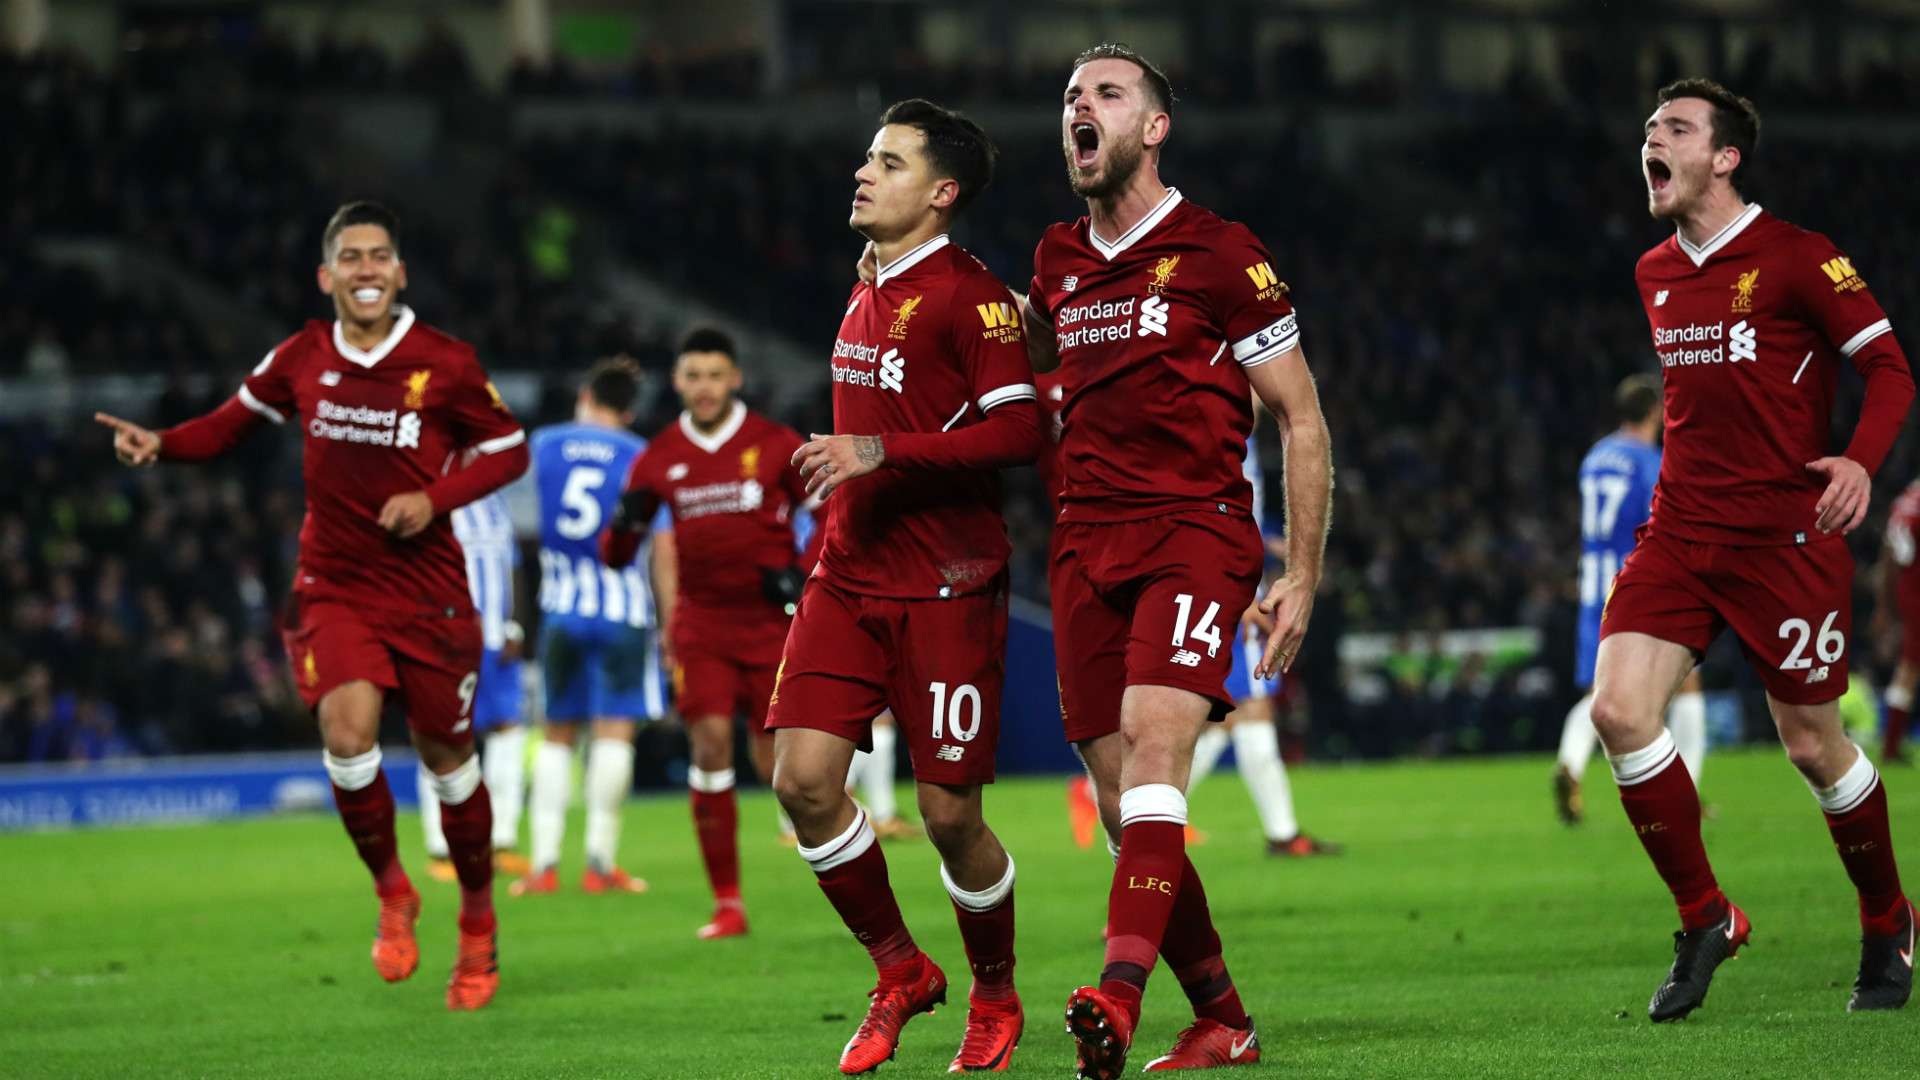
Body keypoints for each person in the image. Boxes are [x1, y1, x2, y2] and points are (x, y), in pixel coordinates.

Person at [94, 200, 526, 1010]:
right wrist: (163, 443)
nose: (366, 269)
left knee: (449, 768)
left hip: (430, 597)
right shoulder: (304, 354)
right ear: (327, 276)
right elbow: (229, 424)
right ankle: (394, 891)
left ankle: (476, 920)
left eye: (380, 256)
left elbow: (508, 449)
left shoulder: (446, 362)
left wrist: (434, 502)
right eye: (351, 257)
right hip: (337, 587)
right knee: (346, 738)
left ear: (399, 273)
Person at [1020, 44, 1332, 1076]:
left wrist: (1304, 572)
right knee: (1122, 804)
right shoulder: (1056, 262)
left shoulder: (1218, 251)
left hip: (1192, 532)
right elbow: (1013, 363)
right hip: (1082, 546)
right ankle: (1224, 1017)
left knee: (1158, 757)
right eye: (1071, 96)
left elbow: (1300, 416)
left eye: (1106, 94)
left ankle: (1116, 994)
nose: (1081, 108)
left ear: (1154, 127)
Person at [1593, 79, 1914, 1021]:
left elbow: (1888, 367)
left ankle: (1888, 915)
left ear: (1725, 156)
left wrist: (1858, 463)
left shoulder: (1797, 258)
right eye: (1648, 127)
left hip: (1785, 537)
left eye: (1676, 129)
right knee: (1617, 711)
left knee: (1813, 746)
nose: (1653, 141)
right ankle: (1706, 917)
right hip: (1682, 531)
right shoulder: (1655, 271)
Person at [759, 97, 1042, 1074]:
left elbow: (1018, 431)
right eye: (866, 157)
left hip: (949, 583)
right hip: (847, 573)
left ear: (943, 193)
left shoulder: (973, 297)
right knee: (799, 782)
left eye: (888, 162)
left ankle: (995, 994)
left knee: (949, 816)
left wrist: (880, 448)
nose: (863, 172)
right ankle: (900, 969)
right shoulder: (869, 277)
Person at [600, 326, 811, 939]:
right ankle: (728, 903)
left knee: (783, 761)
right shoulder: (659, 456)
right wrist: (624, 522)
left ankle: (832, 870)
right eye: (693, 376)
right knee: (709, 744)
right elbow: (615, 554)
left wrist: (800, 575)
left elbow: (829, 510)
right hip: (701, 625)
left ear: (735, 378)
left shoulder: (774, 444)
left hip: (771, 624)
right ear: (678, 382)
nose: (705, 387)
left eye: (715, 375)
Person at [518, 358, 666, 896]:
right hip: (623, 607)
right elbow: (661, 543)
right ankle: (600, 864)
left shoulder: (545, 443)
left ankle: (543, 866)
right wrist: (670, 621)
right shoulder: (641, 456)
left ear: (586, 395)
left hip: (561, 605)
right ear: (628, 412)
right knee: (614, 731)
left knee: (557, 735)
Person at [1551, 375, 1707, 824]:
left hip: (1593, 581)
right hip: (1634, 582)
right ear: (1657, 413)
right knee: (1688, 683)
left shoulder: (1594, 458)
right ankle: (1688, 791)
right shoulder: (1650, 463)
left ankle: (1570, 763)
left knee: (1603, 689)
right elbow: (1657, 525)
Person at [1188, 427, 1342, 857]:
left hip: (1228, 587)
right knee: (1250, 708)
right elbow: (1215, 521)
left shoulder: (1236, 439)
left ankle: (1145, 806)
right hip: (1231, 592)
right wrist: (1235, 596)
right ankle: (1145, 808)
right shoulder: (1222, 440)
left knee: (1230, 715)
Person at [419, 487, 532, 879]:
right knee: (443, 735)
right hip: (448, 637)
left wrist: (516, 622)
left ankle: (501, 840)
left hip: (497, 642)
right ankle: (441, 848)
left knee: (508, 732)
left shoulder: (494, 498)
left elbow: (512, 565)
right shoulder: (432, 496)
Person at [1872, 479, 1920, 765]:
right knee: (1908, 671)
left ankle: (1891, 744)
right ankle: (1890, 747)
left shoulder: (1907, 496)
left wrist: (1885, 605)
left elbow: (1889, 552)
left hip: (1906, 587)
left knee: (1908, 669)